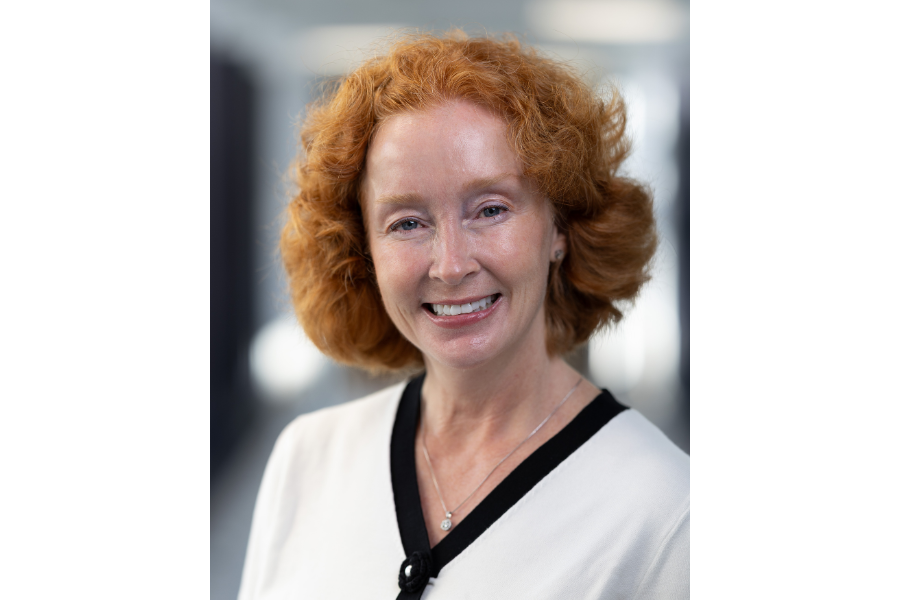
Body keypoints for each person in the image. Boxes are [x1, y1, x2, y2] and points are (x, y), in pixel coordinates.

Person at [238, 31, 688, 600]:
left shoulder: (667, 514)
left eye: (490, 209)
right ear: (363, 250)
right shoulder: (308, 458)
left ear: (560, 229)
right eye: (406, 222)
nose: (450, 265)